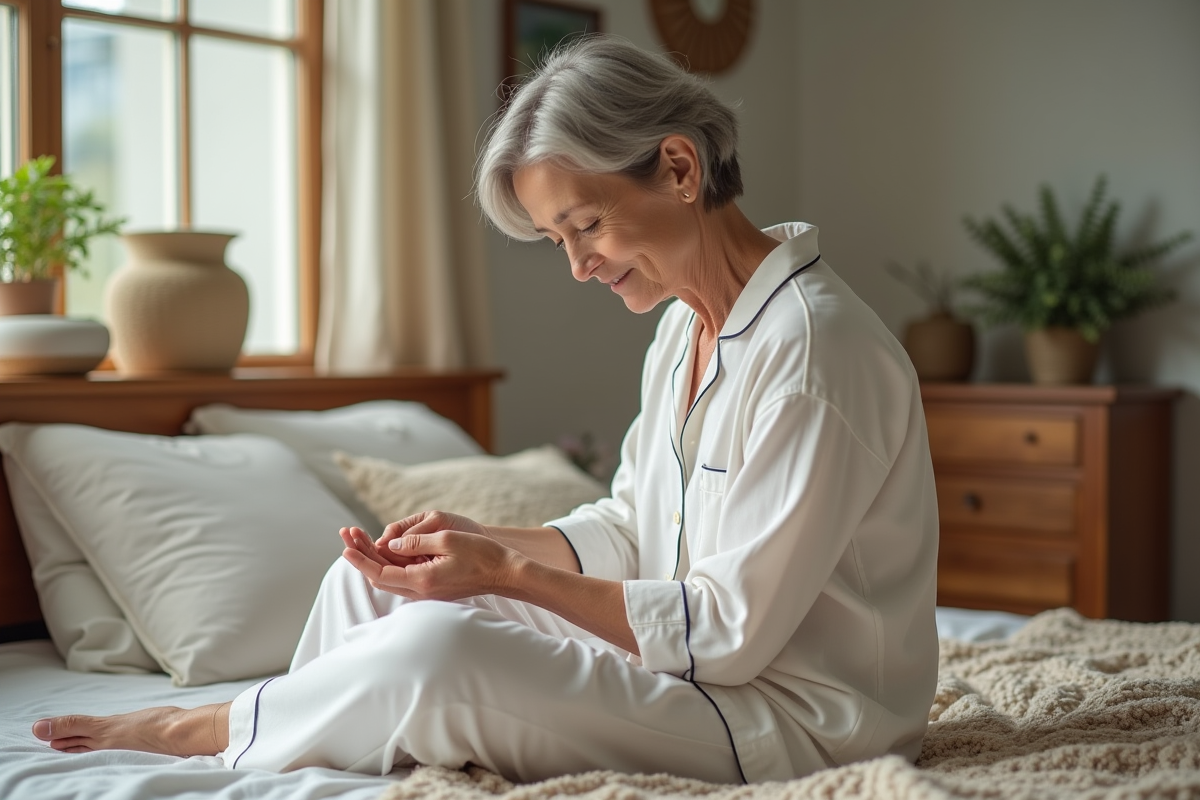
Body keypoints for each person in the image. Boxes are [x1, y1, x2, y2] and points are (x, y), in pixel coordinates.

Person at [32, 36, 939, 784]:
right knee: (376, 581)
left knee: (439, 652)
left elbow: (726, 637)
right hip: (694, 672)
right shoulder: (686, 330)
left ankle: (216, 727)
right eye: (558, 241)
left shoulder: (815, 355)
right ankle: (292, 754)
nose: (579, 266)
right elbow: (632, 525)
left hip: (791, 721)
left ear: (676, 168)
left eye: (585, 225)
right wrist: (484, 547)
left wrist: (506, 575)